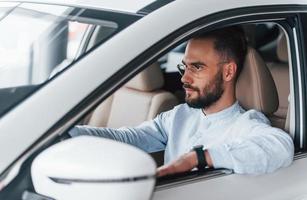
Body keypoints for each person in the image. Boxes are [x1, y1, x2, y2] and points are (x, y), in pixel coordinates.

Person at [69, 26, 294, 177]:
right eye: (184, 66)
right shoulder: (180, 115)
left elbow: (281, 146)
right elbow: (129, 138)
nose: (184, 78)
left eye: (197, 67)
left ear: (228, 72)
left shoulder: (245, 123)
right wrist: (69, 135)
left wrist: (196, 159)